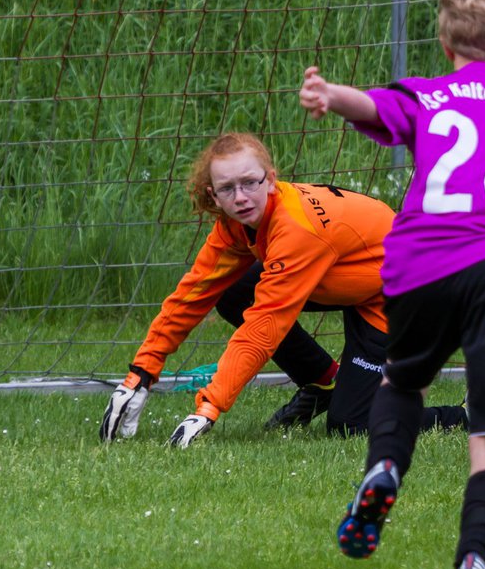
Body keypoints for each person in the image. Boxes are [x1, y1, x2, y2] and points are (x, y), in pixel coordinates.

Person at [300, 0, 485, 569]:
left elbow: (377, 108)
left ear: (446, 47)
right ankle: (476, 560)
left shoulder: (429, 97)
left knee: (403, 381)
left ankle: (386, 467)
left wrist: (332, 94)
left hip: (420, 261)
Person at [99, 132, 465, 446]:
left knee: (351, 425)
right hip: (348, 279)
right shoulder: (234, 225)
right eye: (228, 189)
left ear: (271, 179)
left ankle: (466, 415)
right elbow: (193, 294)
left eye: (250, 183)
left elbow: (265, 325)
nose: (241, 197)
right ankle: (323, 382)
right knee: (231, 292)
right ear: (214, 196)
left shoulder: (296, 229)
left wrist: (208, 408)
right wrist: (143, 371)